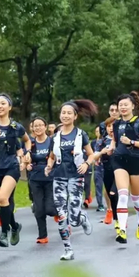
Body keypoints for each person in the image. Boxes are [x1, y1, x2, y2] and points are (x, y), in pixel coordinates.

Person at [44, 100, 98, 260]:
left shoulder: (81, 135)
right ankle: (68, 249)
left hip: (76, 177)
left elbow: (92, 155)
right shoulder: (55, 137)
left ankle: (82, 218)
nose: (65, 115)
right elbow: (51, 156)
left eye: (69, 113)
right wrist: (49, 166)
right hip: (59, 178)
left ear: (75, 116)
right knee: (61, 215)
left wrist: (86, 164)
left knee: (73, 219)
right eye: (63, 113)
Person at [0, 93, 31, 247]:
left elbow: (27, 141)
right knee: (2, 204)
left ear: (9, 107)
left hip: (11, 167)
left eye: (3, 103)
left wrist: (27, 153)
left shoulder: (16, 127)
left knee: (3, 198)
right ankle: (15, 226)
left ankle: (3, 235)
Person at [109, 91, 139, 244]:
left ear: (133, 106)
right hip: (119, 161)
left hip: (136, 161)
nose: (123, 107)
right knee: (123, 195)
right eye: (120, 105)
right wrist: (111, 147)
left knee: (136, 198)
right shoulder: (116, 124)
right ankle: (122, 230)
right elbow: (115, 141)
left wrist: (131, 142)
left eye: (126, 104)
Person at [25, 117, 57, 243]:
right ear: (32, 128)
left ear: (45, 127)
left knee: (49, 209)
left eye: (40, 125)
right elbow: (26, 159)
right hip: (35, 178)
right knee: (39, 209)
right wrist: (27, 165)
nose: (38, 128)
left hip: (50, 178)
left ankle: (61, 215)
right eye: (35, 126)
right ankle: (42, 236)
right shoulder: (31, 144)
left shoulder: (52, 141)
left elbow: (56, 158)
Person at [98, 102, 120, 223]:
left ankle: (120, 212)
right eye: (112, 110)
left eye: (116, 110)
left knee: (118, 190)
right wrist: (99, 156)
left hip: (121, 164)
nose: (114, 112)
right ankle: (110, 209)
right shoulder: (104, 125)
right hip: (106, 163)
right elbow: (100, 142)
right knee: (107, 187)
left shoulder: (124, 124)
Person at [90, 126, 106, 213]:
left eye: (99, 131)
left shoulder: (106, 141)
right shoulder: (93, 143)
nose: (98, 133)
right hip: (97, 167)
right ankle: (100, 204)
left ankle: (111, 204)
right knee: (98, 186)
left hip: (105, 166)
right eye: (96, 131)